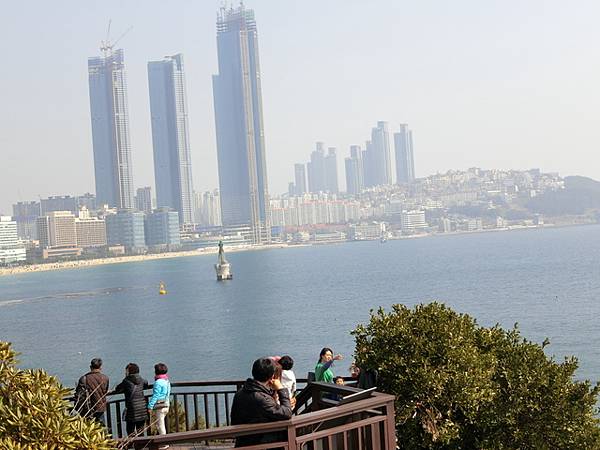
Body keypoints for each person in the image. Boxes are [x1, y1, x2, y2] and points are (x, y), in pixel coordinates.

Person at [231, 357, 293, 447]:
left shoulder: (241, 392)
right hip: (261, 444)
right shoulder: (261, 398)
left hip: (243, 442)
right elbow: (287, 413)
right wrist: (281, 389)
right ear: (271, 376)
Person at [114, 363, 149, 436]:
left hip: (131, 410)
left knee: (130, 431)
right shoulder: (142, 380)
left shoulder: (126, 381)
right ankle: (141, 446)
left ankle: (131, 445)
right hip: (142, 409)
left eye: (126, 371)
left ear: (129, 371)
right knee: (140, 431)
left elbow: (117, 389)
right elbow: (146, 384)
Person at [74, 358, 110, 425]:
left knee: (89, 429)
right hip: (100, 408)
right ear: (100, 367)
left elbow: (79, 395)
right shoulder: (105, 378)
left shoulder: (84, 378)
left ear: (90, 367)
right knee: (101, 429)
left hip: (88, 409)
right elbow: (105, 391)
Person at [147, 363, 171, 437]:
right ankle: (163, 441)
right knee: (161, 424)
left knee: (160, 426)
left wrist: (150, 406)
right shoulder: (167, 381)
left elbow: (156, 395)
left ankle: (164, 443)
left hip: (160, 407)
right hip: (166, 404)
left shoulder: (158, 382)